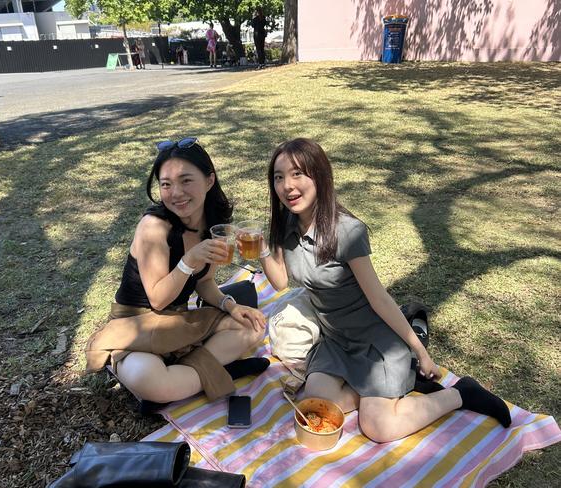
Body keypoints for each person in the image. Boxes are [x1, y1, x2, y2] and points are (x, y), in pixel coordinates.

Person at [255, 138, 511, 442]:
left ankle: (461, 394)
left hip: (376, 342)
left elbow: (379, 298)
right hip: (336, 341)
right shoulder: (287, 222)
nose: (287, 186)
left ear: (320, 177)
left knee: (379, 428)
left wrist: (420, 351)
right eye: (279, 177)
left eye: (298, 174)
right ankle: (393, 387)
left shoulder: (347, 232)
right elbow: (281, 281)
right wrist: (259, 249)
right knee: (314, 408)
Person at [85, 138, 268, 413]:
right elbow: (158, 300)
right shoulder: (153, 228)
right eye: (166, 184)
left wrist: (231, 305)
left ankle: (183, 379)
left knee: (253, 327)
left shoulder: (213, 225)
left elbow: (205, 283)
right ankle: (216, 371)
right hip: (137, 324)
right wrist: (188, 260)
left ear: (209, 180)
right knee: (148, 379)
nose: (176, 193)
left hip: (177, 320)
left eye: (186, 181)